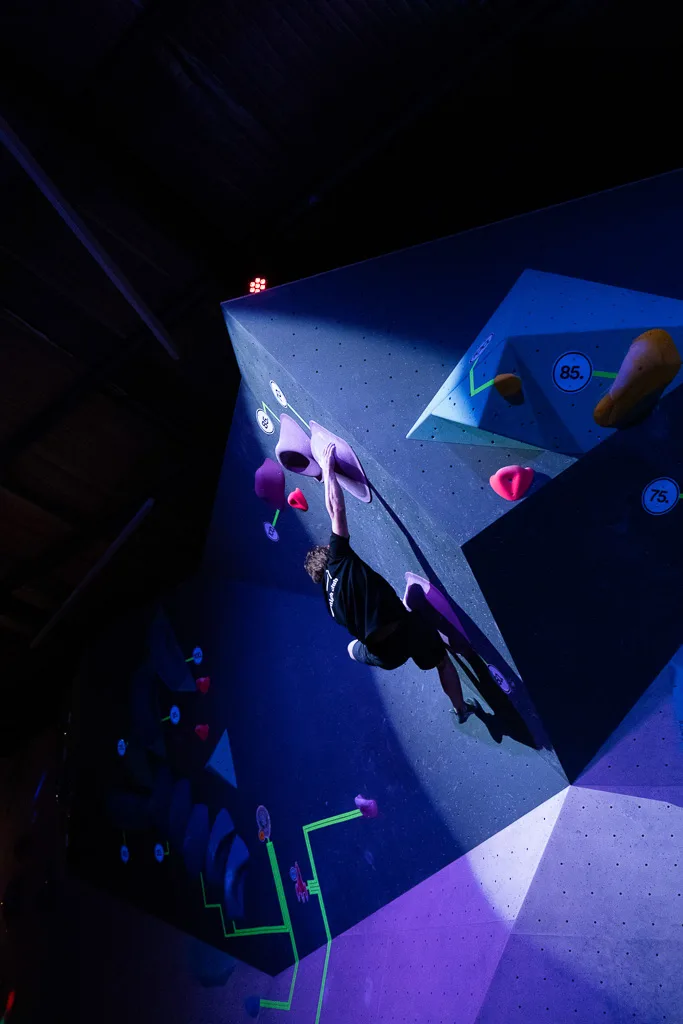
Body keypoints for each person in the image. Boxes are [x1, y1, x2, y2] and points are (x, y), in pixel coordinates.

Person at [304, 442, 478, 724]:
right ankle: (461, 710)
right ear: (327, 555)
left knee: (351, 649)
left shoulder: (329, 604)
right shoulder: (338, 558)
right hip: (405, 629)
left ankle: (356, 651)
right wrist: (328, 468)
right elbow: (336, 509)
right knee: (442, 662)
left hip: (384, 655)